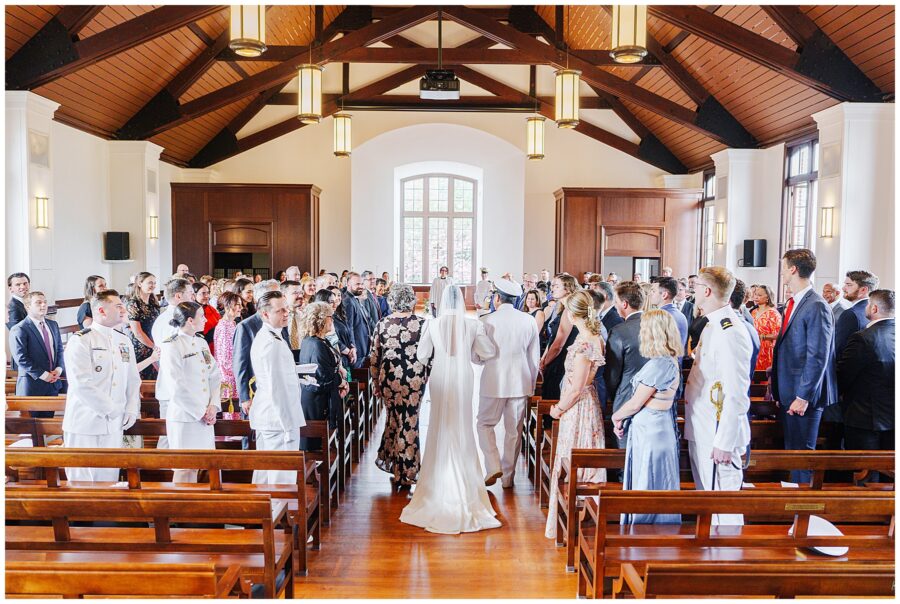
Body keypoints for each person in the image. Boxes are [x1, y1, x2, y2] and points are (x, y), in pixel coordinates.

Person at [401, 285, 500, 534]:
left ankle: (438, 481)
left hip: (440, 377)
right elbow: (487, 352)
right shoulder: (472, 324)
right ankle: (465, 485)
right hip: (464, 377)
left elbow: (423, 355)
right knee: (462, 425)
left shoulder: (432, 324)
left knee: (440, 424)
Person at [684, 267, 753, 525]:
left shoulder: (729, 330)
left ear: (707, 290)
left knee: (724, 507)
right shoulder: (713, 325)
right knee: (707, 500)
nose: (693, 290)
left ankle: (728, 560)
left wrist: (725, 440)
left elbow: (735, 390)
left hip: (717, 431)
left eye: (697, 285)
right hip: (703, 424)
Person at [771, 249, 837, 483]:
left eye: (783, 266)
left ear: (793, 269)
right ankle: (795, 511)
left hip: (804, 396)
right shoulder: (796, 302)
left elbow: (818, 356)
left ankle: (804, 513)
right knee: (793, 453)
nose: (781, 272)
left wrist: (803, 396)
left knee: (801, 456)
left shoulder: (816, 305)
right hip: (791, 392)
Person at [545, 290, 607, 540]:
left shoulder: (583, 344)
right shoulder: (593, 336)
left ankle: (574, 519)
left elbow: (577, 388)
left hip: (578, 407)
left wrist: (558, 409)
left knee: (572, 458)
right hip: (586, 403)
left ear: (571, 313)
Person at [610, 310, 682, 525]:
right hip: (650, 428)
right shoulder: (664, 361)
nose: (641, 332)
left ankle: (646, 531)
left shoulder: (661, 364)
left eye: (644, 329)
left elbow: (634, 403)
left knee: (650, 479)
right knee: (647, 477)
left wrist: (616, 416)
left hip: (653, 430)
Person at [62, 290, 140, 481]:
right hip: (85, 423)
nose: (123, 309)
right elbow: (81, 383)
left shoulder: (123, 340)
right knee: (83, 481)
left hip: (114, 424)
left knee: (109, 478)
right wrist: (112, 410)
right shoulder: (81, 340)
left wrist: (131, 408)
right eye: (118, 306)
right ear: (102, 311)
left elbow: (132, 378)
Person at [477, 278, 540, 489]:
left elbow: (477, 357)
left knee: (485, 424)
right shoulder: (528, 320)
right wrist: (530, 384)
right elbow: (534, 357)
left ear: (496, 298)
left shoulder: (486, 320)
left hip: (493, 381)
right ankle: (507, 478)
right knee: (513, 430)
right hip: (520, 381)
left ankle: (493, 464)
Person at [370, 284, 430, 488]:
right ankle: (408, 470)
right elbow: (429, 356)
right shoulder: (423, 324)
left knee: (394, 419)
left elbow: (374, 356)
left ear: (392, 301)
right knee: (410, 421)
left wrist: (376, 381)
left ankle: (397, 467)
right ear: (412, 300)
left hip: (390, 379)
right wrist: (425, 376)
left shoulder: (382, 324)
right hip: (414, 380)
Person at [159, 301, 222, 482]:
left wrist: (213, 406)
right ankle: (178, 508)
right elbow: (176, 386)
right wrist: (201, 411)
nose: (205, 319)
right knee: (184, 467)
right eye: (201, 316)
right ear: (189, 321)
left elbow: (214, 375)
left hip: (205, 415)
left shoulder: (200, 342)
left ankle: (192, 507)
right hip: (185, 416)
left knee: (200, 466)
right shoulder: (172, 345)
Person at [248, 291, 306, 485]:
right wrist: (288, 424)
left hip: (270, 416)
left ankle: (265, 513)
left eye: (286, 309)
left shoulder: (272, 336)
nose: (286, 313)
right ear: (265, 314)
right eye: (280, 310)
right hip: (277, 419)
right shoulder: (270, 343)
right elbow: (276, 389)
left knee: (266, 473)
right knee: (282, 475)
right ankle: (281, 513)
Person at [837, 289, 894, 467]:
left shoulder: (863, 338)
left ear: (874, 308)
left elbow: (843, 374)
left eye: (868, 304)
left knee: (863, 473)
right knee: (888, 475)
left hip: (864, 416)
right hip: (892, 417)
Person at [297, 302, 349, 451]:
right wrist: (342, 382)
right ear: (320, 320)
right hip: (317, 404)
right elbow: (323, 380)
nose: (332, 320)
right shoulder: (315, 344)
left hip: (321, 399)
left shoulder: (318, 340)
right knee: (315, 448)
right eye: (329, 317)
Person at [604, 281, 649, 445]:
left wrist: (611, 396)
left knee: (625, 454)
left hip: (626, 398)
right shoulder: (657, 326)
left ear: (624, 304)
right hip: (655, 400)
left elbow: (612, 374)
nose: (615, 306)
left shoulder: (619, 331)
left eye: (616, 302)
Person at [9, 292, 66, 413]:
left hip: (52, 383)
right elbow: (21, 358)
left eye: (45, 302)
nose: (43, 305)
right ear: (28, 306)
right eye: (38, 302)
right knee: (32, 429)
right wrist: (45, 375)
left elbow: (60, 349)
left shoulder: (53, 325)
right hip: (31, 385)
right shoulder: (20, 328)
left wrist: (58, 369)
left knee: (48, 426)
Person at [233, 280, 280, 413]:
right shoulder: (246, 326)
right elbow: (240, 364)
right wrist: (244, 397)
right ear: (261, 300)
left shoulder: (280, 322)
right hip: (257, 389)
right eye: (274, 295)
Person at [539, 274, 580, 399]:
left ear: (567, 289)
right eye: (552, 286)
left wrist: (544, 363)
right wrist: (543, 358)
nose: (552, 289)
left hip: (560, 362)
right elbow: (553, 339)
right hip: (555, 359)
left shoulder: (569, 310)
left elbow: (559, 344)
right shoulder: (562, 308)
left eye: (556, 286)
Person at [835, 270, 879, 356]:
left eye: (849, 285)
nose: (843, 288)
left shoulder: (850, 314)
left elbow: (840, 350)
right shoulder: (876, 311)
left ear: (863, 290)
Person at [127, 272, 161, 380]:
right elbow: (137, 333)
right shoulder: (134, 303)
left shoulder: (153, 302)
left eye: (154, 283)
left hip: (154, 342)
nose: (153, 285)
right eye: (150, 282)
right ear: (140, 283)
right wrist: (153, 346)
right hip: (141, 346)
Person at [213, 291, 242, 402]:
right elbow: (225, 358)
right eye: (237, 305)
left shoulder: (232, 323)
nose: (240, 307)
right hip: (228, 376)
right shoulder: (223, 326)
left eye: (240, 304)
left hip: (234, 373)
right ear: (227, 307)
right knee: (231, 411)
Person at [650, 277, 688, 350]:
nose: (650, 294)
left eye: (653, 291)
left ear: (664, 295)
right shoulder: (681, 315)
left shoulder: (660, 317)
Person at [342, 272, 371, 368]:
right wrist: (353, 347)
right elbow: (349, 327)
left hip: (363, 346)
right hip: (356, 349)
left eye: (362, 284)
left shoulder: (355, 298)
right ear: (348, 284)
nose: (361, 286)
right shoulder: (347, 301)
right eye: (357, 284)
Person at [325, 286, 356, 373]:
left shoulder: (341, 313)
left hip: (347, 357)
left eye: (339, 295)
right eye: (334, 295)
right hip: (339, 356)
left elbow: (349, 332)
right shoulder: (328, 316)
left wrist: (352, 347)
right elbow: (331, 337)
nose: (337, 298)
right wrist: (348, 351)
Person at [751, 284, 781, 371]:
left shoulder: (773, 313)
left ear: (767, 297)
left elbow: (778, 334)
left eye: (759, 295)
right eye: (755, 294)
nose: (756, 297)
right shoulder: (753, 312)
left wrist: (763, 336)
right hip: (755, 349)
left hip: (767, 351)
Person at [193, 282, 220, 352]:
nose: (207, 296)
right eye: (203, 293)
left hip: (216, 345)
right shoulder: (192, 311)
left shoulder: (210, 308)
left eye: (208, 293)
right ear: (194, 295)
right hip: (202, 347)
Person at [281, 280, 304, 360]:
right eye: (295, 293)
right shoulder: (280, 318)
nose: (300, 295)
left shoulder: (303, 315)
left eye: (301, 292)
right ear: (284, 296)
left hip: (302, 358)